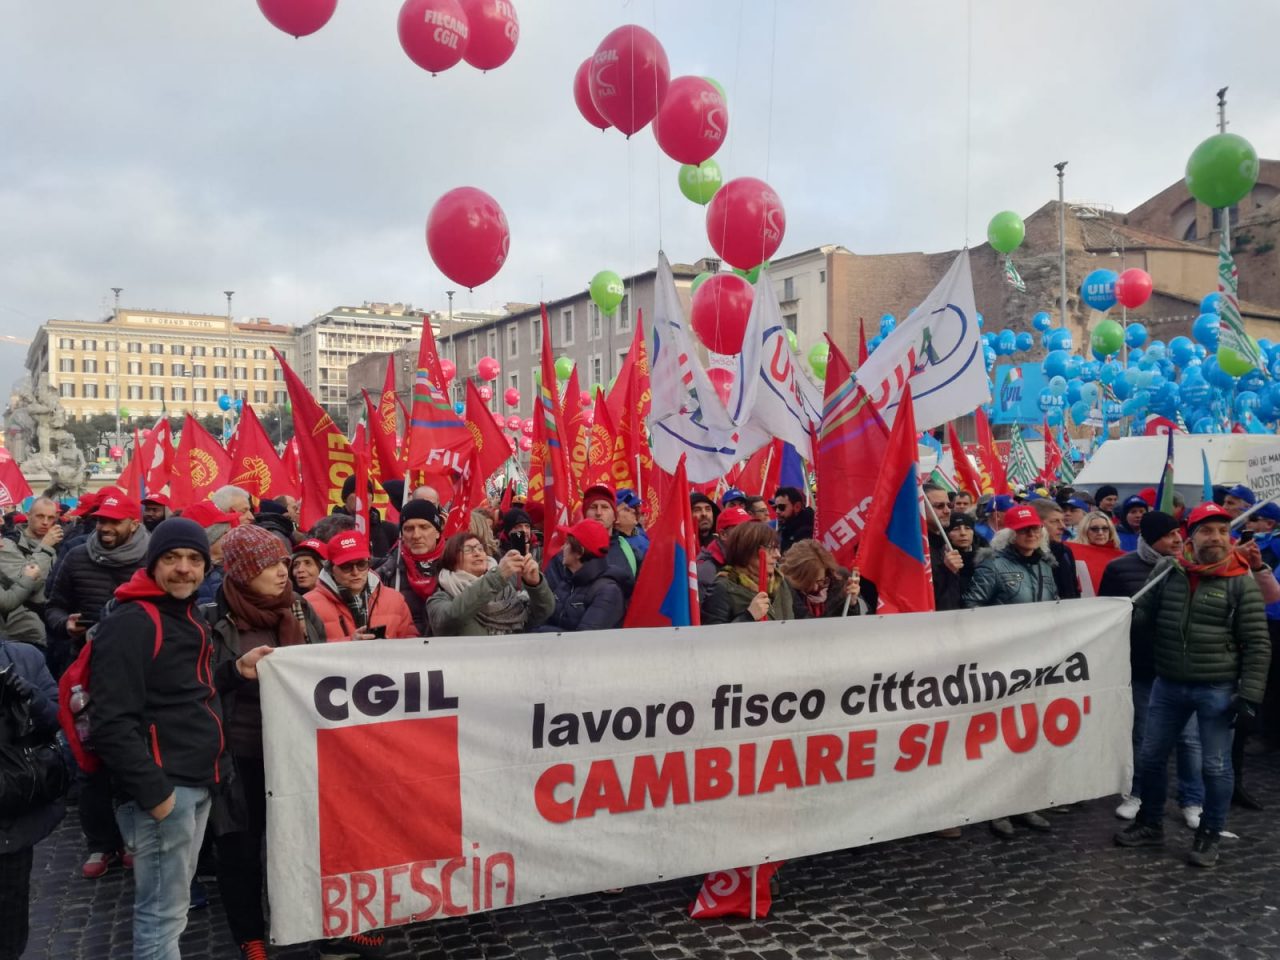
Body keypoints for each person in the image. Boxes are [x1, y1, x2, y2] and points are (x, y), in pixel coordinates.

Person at [90, 517, 273, 960]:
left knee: (172, 914)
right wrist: (156, 794)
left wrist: (233, 671)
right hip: (167, 791)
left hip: (197, 781)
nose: (184, 569)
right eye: (171, 558)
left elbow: (185, 688)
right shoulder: (133, 622)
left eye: (193, 559)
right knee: (162, 916)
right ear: (153, 563)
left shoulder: (185, 615)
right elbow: (110, 722)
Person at [1115, 502, 1271, 867]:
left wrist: (1249, 696)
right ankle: (1150, 822)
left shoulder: (1240, 580)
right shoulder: (1168, 570)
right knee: (1151, 759)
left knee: (1215, 767)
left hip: (1217, 689)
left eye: (1221, 530)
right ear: (1191, 535)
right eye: (1206, 530)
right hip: (1167, 684)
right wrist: (1115, 615)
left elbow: (1258, 642)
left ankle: (1209, 833)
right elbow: (1141, 618)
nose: (1214, 537)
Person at [202, 524, 325, 960]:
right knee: (240, 846)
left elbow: (321, 664)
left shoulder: (300, 610)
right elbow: (198, 688)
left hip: (295, 749)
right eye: (269, 564)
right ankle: (250, 934)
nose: (283, 571)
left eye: (283, 561)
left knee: (306, 840)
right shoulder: (211, 620)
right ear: (241, 571)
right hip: (241, 752)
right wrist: (235, 673)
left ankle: (325, 926)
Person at [44, 487, 151, 879]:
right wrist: (64, 624)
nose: (104, 528)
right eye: (101, 521)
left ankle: (135, 839)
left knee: (136, 756)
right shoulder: (76, 557)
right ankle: (101, 844)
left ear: (133, 523)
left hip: (139, 673)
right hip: (87, 674)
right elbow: (51, 606)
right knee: (91, 763)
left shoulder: (152, 558)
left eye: (113, 522)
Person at [1099, 511, 1204, 827]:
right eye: (1169, 534)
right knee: (1144, 735)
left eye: (1179, 533)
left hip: (1183, 668)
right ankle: (1137, 794)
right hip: (1144, 668)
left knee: (1189, 740)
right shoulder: (1120, 568)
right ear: (1150, 536)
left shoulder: (1191, 567)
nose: (1177, 540)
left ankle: (1192, 800)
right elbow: (1109, 618)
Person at [962, 503, 1058, 839]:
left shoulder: (1047, 567)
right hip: (1004, 665)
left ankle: (1025, 801)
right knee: (1002, 737)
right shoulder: (994, 566)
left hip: (1038, 663)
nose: (1031, 534)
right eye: (1024, 530)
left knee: (1031, 734)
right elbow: (972, 607)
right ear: (1010, 534)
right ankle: (997, 806)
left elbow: (1054, 607)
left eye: (1035, 529)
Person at [0, 636, 64, 960]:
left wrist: (31, 698)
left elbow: (57, 718)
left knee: (10, 932)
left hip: (12, 822)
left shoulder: (23, 657)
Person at [426, 532, 554, 636]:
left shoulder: (505, 589)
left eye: (480, 548)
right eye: (468, 550)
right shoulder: (441, 597)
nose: (477, 553)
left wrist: (535, 584)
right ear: (451, 559)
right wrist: (496, 577)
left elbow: (542, 613)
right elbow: (449, 619)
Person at [304, 532, 416, 641]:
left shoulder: (395, 599)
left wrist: (389, 648)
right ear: (331, 569)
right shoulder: (309, 604)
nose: (355, 572)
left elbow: (411, 643)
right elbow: (302, 650)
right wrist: (350, 644)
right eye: (346, 566)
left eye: (361, 564)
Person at [540, 519, 627, 632]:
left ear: (579, 552)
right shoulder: (568, 581)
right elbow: (544, 617)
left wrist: (540, 633)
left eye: (567, 543)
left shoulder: (608, 592)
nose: (562, 548)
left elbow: (584, 641)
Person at [0, 496, 61, 650]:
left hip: (57, 623)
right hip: (26, 631)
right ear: (28, 515)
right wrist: (45, 547)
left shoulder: (61, 545)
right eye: (40, 516)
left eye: (51, 517)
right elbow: (25, 580)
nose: (46, 522)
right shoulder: (8, 544)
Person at [376, 500, 444, 636]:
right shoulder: (386, 574)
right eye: (408, 529)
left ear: (437, 532)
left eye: (424, 527)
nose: (416, 535)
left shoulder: (457, 565)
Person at [703, 522, 794, 623]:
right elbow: (714, 635)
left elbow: (803, 620)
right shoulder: (723, 587)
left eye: (777, 548)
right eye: (770, 548)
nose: (778, 555)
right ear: (747, 550)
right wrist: (749, 616)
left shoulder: (780, 581)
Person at [580, 484, 643, 592]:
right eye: (593, 507)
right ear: (584, 513)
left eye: (605, 507)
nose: (599, 513)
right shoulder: (568, 552)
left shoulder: (632, 554)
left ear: (615, 516)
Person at [779, 539, 864, 617]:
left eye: (821, 581)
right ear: (796, 577)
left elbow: (863, 619)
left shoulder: (841, 580)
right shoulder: (784, 589)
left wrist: (852, 603)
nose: (815, 588)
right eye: (807, 583)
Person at [179, 501, 242, 606]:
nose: (232, 537)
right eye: (225, 533)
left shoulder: (234, 567)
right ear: (209, 538)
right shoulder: (186, 576)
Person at [696, 506, 752, 603]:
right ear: (723, 535)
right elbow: (709, 616)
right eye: (742, 530)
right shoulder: (706, 570)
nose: (750, 534)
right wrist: (749, 614)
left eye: (750, 529)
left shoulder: (741, 558)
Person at [924, 483, 965, 611]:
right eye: (939, 506)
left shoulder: (946, 543)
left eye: (949, 505)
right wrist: (946, 570)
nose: (947, 511)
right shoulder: (914, 548)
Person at [1034, 499, 1080, 600]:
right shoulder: (1026, 555)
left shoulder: (1065, 552)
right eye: (1054, 521)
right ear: (1036, 524)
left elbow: (1075, 591)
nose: (1063, 527)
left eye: (1062, 521)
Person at [946, 513, 991, 597]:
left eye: (967, 528)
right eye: (956, 529)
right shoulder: (942, 559)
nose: (963, 533)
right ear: (947, 534)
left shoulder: (987, 558)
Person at [773, 487, 814, 554]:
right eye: (775, 507)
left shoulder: (808, 532)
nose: (777, 511)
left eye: (781, 507)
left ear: (797, 507)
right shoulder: (785, 529)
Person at [614, 489, 650, 554]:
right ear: (615, 518)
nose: (635, 511)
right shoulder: (615, 545)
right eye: (626, 509)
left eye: (638, 506)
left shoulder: (639, 533)